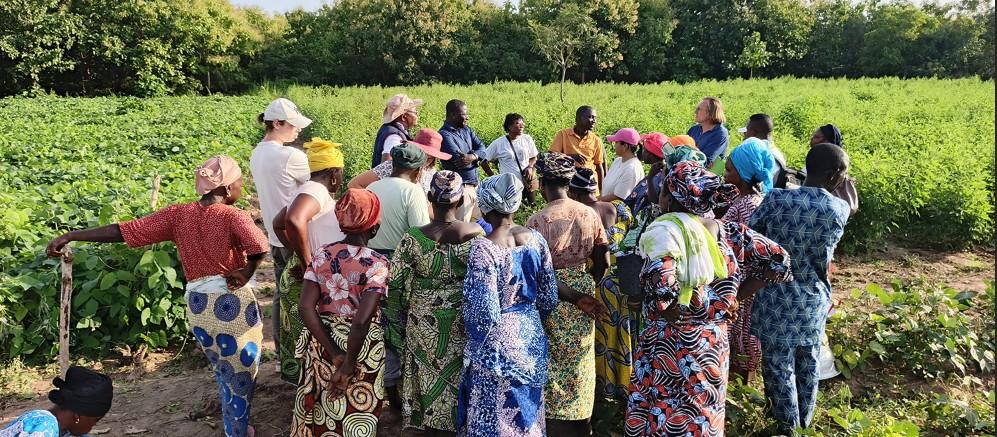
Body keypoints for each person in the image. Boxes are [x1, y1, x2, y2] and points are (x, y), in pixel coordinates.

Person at [45, 156, 270, 437]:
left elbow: (126, 231)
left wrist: (73, 235)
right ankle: (237, 431)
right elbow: (259, 245)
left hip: (198, 305)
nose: (242, 189)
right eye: (239, 183)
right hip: (230, 304)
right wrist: (247, 270)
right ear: (225, 189)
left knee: (222, 369)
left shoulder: (178, 215)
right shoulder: (232, 215)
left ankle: (234, 425)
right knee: (241, 372)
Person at [625, 161, 792, 437]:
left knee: (662, 417)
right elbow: (779, 261)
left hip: (670, 344)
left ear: (672, 195)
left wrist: (667, 306)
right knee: (702, 416)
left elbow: (662, 282)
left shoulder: (666, 230)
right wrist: (734, 295)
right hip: (712, 344)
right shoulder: (730, 232)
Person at [749, 144, 852, 434]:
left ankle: (786, 427)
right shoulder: (838, 209)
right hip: (813, 298)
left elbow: (752, 236)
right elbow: (841, 200)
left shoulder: (776, 200)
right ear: (833, 175)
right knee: (808, 363)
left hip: (775, 297)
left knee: (778, 365)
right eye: (843, 175)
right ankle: (803, 423)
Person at [457, 173, 559, 437]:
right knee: (528, 413)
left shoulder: (484, 249)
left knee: (493, 414)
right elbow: (549, 298)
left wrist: (471, 340)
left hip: (497, 343)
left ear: (487, 206)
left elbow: (484, 312)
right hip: (531, 336)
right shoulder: (536, 239)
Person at [386, 171, 484, 435]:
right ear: (461, 198)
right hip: (463, 320)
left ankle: (431, 424)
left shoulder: (413, 238)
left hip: (422, 322)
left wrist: (396, 332)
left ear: (430, 197)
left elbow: (394, 287)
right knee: (459, 374)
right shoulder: (476, 235)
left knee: (428, 376)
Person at [291, 188, 387, 437]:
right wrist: (348, 366)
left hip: (323, 340)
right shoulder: (377, 263)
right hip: (362, 347)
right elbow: (361, 320)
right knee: (358, 410)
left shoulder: (323, 253)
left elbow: (305, 306)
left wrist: (334, 353)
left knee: (323, 406)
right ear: (374, 228)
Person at [527, 152, 609, 436]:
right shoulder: (590, 214)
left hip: (551, 294)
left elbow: (534, 271)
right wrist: (589, 282)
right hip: (584, 292)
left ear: (543, 181)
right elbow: (604, 259)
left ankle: (551, 422)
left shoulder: (536, 221)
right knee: (580, 361)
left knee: (550, 359)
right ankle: (581, 420)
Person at [270, 137, 347, 384]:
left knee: (307, 338)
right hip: (309, 277)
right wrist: (308, 265)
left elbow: (277, 224)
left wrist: (298, 255)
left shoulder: (305, 189)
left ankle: (310, 388)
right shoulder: (316, 190)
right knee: (314, 338)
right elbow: (292, 221)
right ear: (334, 173)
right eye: (342, 174)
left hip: (306, 274)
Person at [250, 97, 312, 375]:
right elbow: (317, 187)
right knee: (305, 298)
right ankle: (303, 358)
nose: (298, 130)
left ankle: (282, 356)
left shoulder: (257, 153)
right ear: (276, 123)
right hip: (297, 237)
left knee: (280, 295)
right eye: (293, 125)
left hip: (275, 238)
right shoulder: (291, 156)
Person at [367, 143, 432, 409]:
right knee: (399, 328)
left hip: (370, 264)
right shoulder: (413, 191)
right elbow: (420, 234)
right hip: (398, 266)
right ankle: (400, 395)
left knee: (378, 325)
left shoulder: (372, 188)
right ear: (417, 172)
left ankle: (386, 390)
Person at [568, 168, 637, 400]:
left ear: (574, 194)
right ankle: (624, 388)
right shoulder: (618, 208)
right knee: (620, 335)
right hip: (622, 282)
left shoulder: (578, 216)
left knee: (601, 337)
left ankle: (601, 390)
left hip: (596, 282)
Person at [721, 138, 777, 382]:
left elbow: (756, 251)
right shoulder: (742, 200)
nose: (725, 173)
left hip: (746, 285)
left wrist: (739, 293)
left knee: (743, 337)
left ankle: (744, 384)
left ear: (743, 174)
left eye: (730, 169)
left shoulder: (750, 205)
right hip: (738, 281)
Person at [1, 366, 112, 437]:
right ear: (78, 416)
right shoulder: (43, 425)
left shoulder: (66, 431)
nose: (92, 427)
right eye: (95, 421)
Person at [349, 128, 450, 196]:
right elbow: (354, 184)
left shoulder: (431, 172)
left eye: (430, 158)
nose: (425, 161)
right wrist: (374, 208)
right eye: (424, 155)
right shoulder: (393, 166)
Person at [439, 99, 488, 223]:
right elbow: (460, 161)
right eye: (464, 114)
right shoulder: (444, 135)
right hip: (461, 190)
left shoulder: (467, 130)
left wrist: (473, 157)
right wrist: (477, 157)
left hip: (475, 187)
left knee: (478, 228)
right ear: (453, 115)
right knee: (461, 228)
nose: (467, 117)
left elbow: (483, 148)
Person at [482, 113, 539, 206]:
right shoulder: (499, 143)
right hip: (510, 186)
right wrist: (494, 178)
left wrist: (530, 167)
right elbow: (483, 161)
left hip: (527, 182)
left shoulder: (527, 139)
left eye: (522, 123)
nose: (521, 126)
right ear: (509, 127)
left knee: (531, 207)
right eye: (517, 123)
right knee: (512, 210)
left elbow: (534, 156)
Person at [551, 106, 605, 188]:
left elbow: (599, 166)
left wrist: (601, 190)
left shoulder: (596, 140)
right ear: (579, 118)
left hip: (589, 187)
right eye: (590, 117)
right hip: (568, 184)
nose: (594, 121)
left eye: (595, 118)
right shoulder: (563, 134)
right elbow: (551, 155)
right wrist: (570, 157)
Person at [737, 113, 787, 188]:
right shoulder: (777, 153)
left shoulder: (757, 155)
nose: (744, 135)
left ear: (752, 133)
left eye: (746, 131)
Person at [372, 93, 422, 167]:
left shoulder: (391, 129)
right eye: (415, 112)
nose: (417, 115)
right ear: (403, 117)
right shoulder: (394, 136)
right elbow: (386, 166)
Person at [600, 128, 645, 203]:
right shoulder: (618, 161)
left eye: (616, 142)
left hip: (614, 212)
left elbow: (619, 197)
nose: (614, 145)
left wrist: (595, 201)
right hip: (604, 207)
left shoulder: (632, 168)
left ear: (625, 146)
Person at [686, 97, 729, 170]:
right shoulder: (694, 129)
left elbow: (706, 161)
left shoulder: (720, 133)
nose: (695, 112)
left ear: (710, 113)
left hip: (706, 177)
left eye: (699, 109)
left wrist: (689, 151)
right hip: (688, 170)